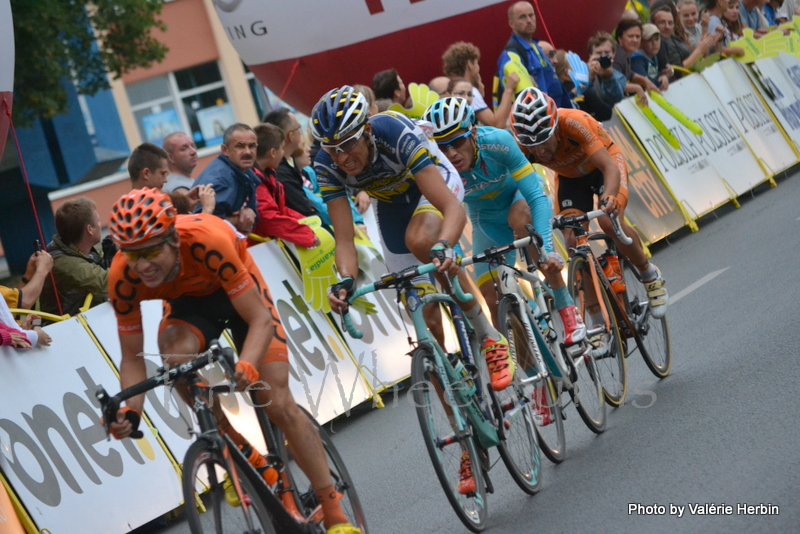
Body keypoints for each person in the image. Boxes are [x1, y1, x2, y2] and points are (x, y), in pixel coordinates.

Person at [105, 188, 361, 534]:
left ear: (172, 238)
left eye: (150, 251)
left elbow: (259, 319)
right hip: (189, 308)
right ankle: (243, 453)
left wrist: (249, 364)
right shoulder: (123, 276)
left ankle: (333, 511)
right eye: (131, 254)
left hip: (240, 296)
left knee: (277, 402)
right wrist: (129, 412)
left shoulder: (206, 240)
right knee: (174, 359)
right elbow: (133, 359)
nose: (142, 265)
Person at [312, 86, 514, 389]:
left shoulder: (395, 134)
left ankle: (487, 334)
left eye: (348, 143)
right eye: (332, 149)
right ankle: (463, 415)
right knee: (424, 322)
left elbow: (452, 209)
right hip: (392, 206)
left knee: (422, 242)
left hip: (433, 185)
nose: (342, 157)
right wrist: (345, 281)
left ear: (366, 129)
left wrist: (445, 246)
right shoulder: (325, 164)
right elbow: (343, 239)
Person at [509, 87, 669, 355]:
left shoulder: (573, 122)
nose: (540, 150)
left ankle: (649, 274)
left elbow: (609, 168)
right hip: (571, 180)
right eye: (531, 145)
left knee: (609, 222)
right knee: (573, 240)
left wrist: (609, 198)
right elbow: (519, 187)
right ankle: (596, 321)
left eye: (544, 140)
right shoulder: (522, 146)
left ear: (554, 126)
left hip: (604, 164)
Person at [423, 97, 585, 346]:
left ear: (473, 132)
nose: (451, 153)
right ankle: (534, 379)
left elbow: (535, 198)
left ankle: (565, 306)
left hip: (521, 198)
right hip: (486, 218)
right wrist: (449, 255)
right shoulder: (438, 168)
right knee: (492, 300)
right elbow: (445, 221)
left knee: (520, 219)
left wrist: (548, 252)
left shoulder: (498, 141)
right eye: (442, 147)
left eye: (456, 141)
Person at [250, 123, 320, 248]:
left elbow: (281, 210)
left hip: (267, 245)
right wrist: (306, 234)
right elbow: (269, 219)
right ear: (272, 152)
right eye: (282, 148)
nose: (283, 154)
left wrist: (308, 223)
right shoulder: (254, 181)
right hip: (259, 250)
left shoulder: (268, 175)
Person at [495, 1, 573, 109]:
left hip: (558, 115)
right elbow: (527, 101)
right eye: (522, 17)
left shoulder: (536, 47)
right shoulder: (512, 55)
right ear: (511, 23)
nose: (529, 20)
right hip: (543, 119)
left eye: (531, 15)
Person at [39, 197, 108, 317]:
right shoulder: (63, 262)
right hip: (64, 328)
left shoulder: (73, 249)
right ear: (89, 229)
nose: (100, 225)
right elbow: (105, 282)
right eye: (98, 221)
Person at [193, 123, 259, 234]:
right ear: (225, 150)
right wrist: (239, 220)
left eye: (252, 146)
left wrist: (250, 211)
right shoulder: (220, 180)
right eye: (240, 146)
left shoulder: (242, 169)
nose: (247, 152)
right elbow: (205, 224)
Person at [442, 41, 517, 128]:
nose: (478, 68)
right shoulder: (471, 91)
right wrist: (509, 90)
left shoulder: (451, 89)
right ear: (470, 64)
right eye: (477, 63)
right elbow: (497, 125)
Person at [263, 108, 320, 218]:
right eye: (299, 127)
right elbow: (305, 211)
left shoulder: (289, 165)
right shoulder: (280, 172)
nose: (301, 131)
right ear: (291, 136)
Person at [652, 4, 718, 74]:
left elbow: (703, 57)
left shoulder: (676, 36)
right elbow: (678, 70)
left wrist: (706, 39)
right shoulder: (660, 43)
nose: (667, 27)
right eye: (661, 23)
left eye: (670, 23)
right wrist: (699, 50)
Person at [580, 32, 628, 121]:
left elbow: (616, 100)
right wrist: (590, 76)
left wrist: (609, 77)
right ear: (590, 54)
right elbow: (578, 94)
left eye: (606, 52)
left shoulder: (619, 77)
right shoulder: (580, 72)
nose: (603, 56)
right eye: (598, 53)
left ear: (614, 54)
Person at [613, 18, 659, 104]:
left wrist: (644, 80)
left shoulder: (624, 53)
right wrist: (637, 88)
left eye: (638, 36)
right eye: (630, 36)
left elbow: (628, 73)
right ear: (620, 38)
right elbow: (614, 83)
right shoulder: (618, 55)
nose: (635, 40)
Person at [631, 24, 670, 91]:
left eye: (657, 39)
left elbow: (665, 71)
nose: (654, 43)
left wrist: (665, 76)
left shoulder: (654, 54)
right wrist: (662, 82)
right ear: (641, 42)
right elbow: (647, 84)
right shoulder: (636, 60)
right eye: (649, 40)